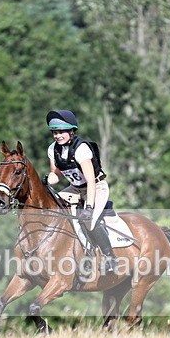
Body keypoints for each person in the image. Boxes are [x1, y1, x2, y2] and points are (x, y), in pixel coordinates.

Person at [45, 109, 116, 273]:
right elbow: (56, 175)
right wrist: (44, 182)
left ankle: (110, 258)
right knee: (54, 209)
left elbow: (90, 181)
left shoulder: (81, 149)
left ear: (71, 131)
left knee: (89, 221)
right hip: (75, 188)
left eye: (61, 132)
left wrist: (89, 207)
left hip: (96, 187)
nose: (57, 136)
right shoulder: (52, 149)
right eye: (55, 132)